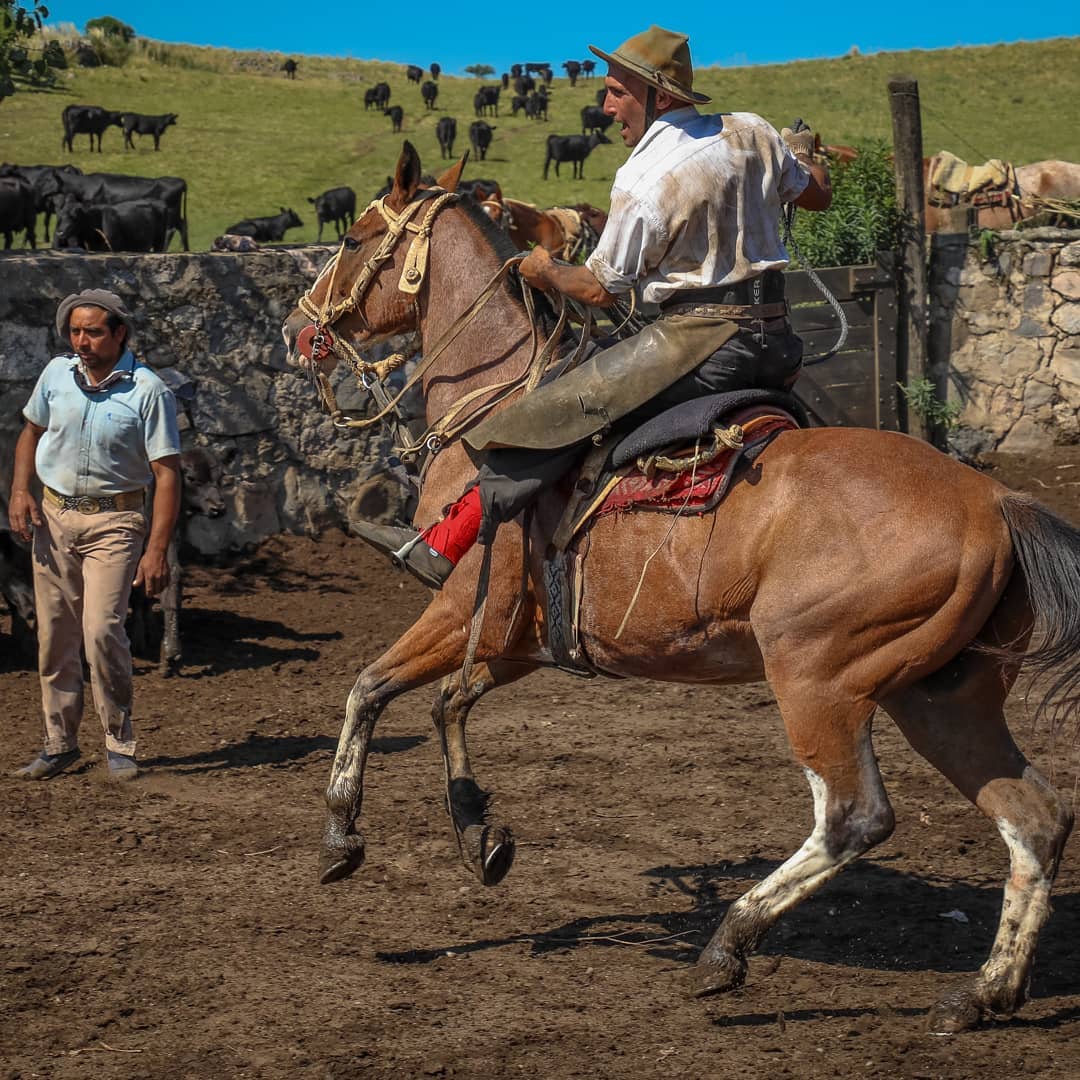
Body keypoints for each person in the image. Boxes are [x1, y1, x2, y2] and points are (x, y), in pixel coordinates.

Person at [350, 25, 831, 590]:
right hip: (775, 342)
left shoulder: (645, 177)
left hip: (702, 345)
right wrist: (797, 151)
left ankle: (443, 544)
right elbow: (818, 193)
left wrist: (544, 269)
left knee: (550, 411)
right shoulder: (753, 131)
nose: (606, 108)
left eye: (617, 93)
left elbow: (602, 289)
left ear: (661, 96)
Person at [8, 290, 181, 782]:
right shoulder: (55, 376)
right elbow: (30, 432)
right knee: (54, 636)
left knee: (101, 629)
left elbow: (167, 474)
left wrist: (157, 550)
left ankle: (118, 741)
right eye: (75, 332)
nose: (81, 342)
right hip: (54, 517)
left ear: (119, 333)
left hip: (116, 522)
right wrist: (20, 491)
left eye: (93, 332)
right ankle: (60, 743)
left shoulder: (149, 391)